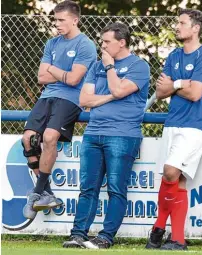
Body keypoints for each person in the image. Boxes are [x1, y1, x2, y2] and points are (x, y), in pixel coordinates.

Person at [62, 22, 150, 249]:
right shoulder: (96, 66)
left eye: (106, 42)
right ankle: (78, 234)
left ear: (121, 43)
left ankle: (105, 237)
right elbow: (84, 101)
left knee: (116, 188)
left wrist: (110, 68)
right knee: (88, 188)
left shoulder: (139, 66)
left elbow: (120, 90)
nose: (102, 46)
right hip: (93, 134)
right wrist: (110, 97)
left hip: (122, 135)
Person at [145, 9, 202, 251]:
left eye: (182, 23)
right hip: (173, 122)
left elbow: (196, 93)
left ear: (195, 28)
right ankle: (174, 238)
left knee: (170, 172)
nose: (177, 26)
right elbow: (161, 90)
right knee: (177, 182)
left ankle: (159, 227)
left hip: (195, 126)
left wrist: (174, 85)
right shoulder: (174, 55)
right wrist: (179, 85)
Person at [22, 0, 97, 220]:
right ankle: (47, 193)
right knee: (28, 139)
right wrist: (60, 73)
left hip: (71, 99)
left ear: (75, 20)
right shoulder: (52, 43)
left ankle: (37, 193)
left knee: (50, 136)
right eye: (55, 20)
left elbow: (74, 80)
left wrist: (53, 70)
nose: (57, 24)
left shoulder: (85, 45)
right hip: (47, 96)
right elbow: (40, 77)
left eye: (61, 20)